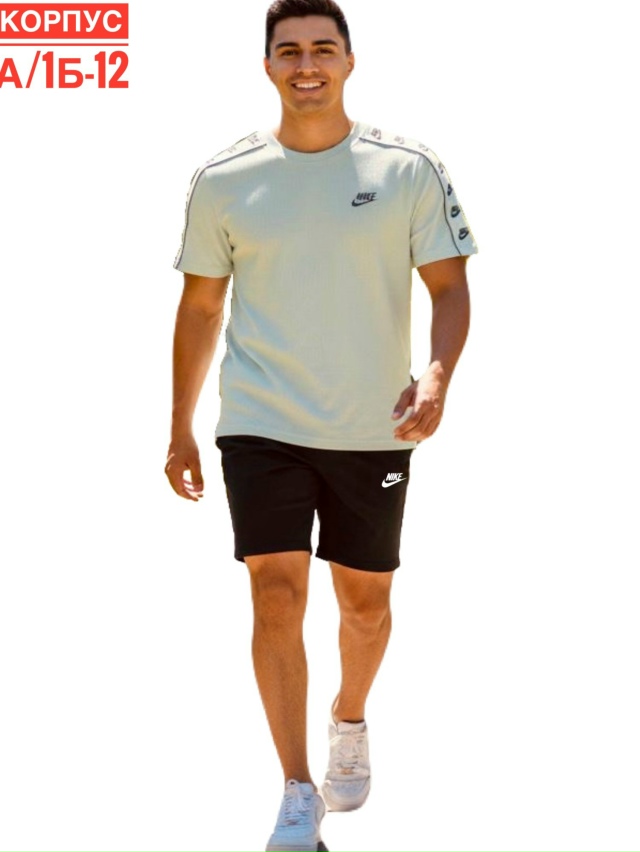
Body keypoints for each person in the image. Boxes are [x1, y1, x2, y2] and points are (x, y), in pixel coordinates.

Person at [166, 0, 477, 848]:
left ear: (348, 60)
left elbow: (450, 288)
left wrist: (438, 374)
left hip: (373, 424)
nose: (307, 64)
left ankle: (349, 717)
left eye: (322, 49)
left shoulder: (407, 168)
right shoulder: (224, 179)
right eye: (290, 50)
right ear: (268, 65)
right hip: (260, 419)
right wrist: (181, 424)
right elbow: (200, 308)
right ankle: (296, 787)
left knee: (364, 604)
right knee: (275, 592)